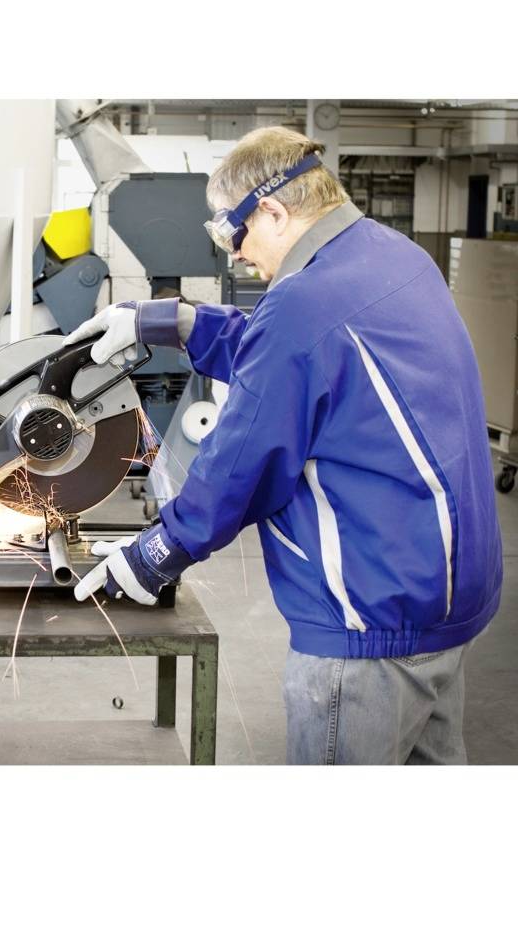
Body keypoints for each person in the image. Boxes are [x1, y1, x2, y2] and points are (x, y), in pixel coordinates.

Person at [65, 126, 502, 765]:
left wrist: (154, 554)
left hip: (366, 622)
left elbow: (239, 466)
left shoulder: (303, 301)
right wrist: (174, 321)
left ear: (272, 210)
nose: (235, 255)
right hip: (442, 597)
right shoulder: (394, 255)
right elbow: (299, 358)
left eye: (232, 232)